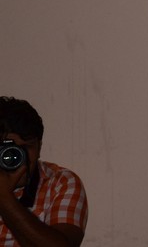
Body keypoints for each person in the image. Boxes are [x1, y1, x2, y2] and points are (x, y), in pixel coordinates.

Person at [0, 97, 87, 247]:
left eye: (27, 147)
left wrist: (4, 197)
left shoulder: (60, 183)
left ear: (39, 147)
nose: (19, 156)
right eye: (9, 148)